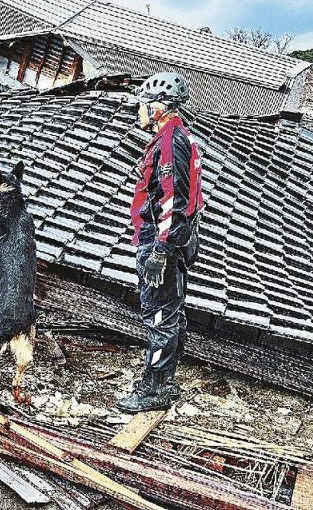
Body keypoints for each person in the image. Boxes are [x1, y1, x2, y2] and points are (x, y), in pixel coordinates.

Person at [117, 72, 204, 414]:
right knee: (169, 311)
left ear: (157, 108)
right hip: (169, 238)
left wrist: (161, 250)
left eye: (142, 104)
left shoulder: (170, 143)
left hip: (161, 241)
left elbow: (174, 199)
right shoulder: (176, 138)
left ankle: (155, 388)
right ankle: (164, 379)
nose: (137, 111)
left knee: (159, 315)